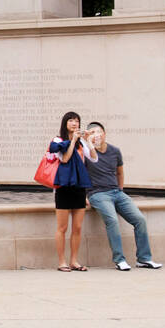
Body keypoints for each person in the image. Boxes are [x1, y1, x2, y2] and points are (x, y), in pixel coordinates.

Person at [83, 122, 162, 270]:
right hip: (97, 194)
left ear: (104, 134)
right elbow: (79, 175)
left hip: (117, 192)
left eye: (98, 132)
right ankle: (120, 260)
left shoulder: (115, 151)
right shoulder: (86, 153)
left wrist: (120, 190)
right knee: (112, 221)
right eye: (92, 133)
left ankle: (144, 259)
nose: (96, 135)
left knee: (140, 220)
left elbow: (120, 172)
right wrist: (83, 196)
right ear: (88, 136)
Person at [50, 111, 95, 272]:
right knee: (62, 228)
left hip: (79, 188)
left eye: (77, 121)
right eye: (71, 120)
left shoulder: (81, 142)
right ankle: (61, 261)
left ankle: (74, 261)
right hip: (63, 188)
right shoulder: (58, 141)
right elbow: (64, 159)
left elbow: (94, 158)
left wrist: (88, 141)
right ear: (65, 123)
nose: (74, 123)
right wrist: (73, 140)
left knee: (77, 228)